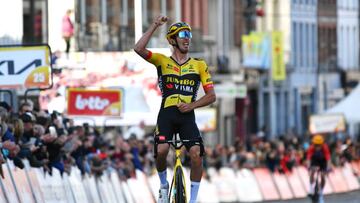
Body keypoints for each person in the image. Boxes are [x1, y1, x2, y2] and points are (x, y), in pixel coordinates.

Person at [134, 15, 216, 203]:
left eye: (189, 35)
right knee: (162, 150)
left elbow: (212, 96)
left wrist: (192, 106)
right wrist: (155, 25)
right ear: (172, 40)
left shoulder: (199, 65)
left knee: (196, 154)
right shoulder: (162, 61)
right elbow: (138, 48)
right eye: (182, 35)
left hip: (188, 116)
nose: (187, 38)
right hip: (167, 115)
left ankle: (193, 199)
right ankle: (163, 185)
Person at [306, 134, 332, 202]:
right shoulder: (311, 148)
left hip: (323, 162)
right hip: (315, 161)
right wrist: (309, 167)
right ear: (314, 144)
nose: (317, 147)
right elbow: (308, 159)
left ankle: (321, 193)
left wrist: (328, 168)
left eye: (319, 145)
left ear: (322, 144)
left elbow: (328, 160)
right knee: (312, 172)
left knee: (323, 176)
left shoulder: (325, 148)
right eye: (316, 145)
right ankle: (311, 189)